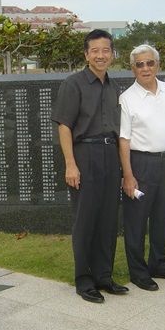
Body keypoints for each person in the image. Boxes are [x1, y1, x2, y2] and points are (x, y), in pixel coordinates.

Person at [51, 29, 128, 303]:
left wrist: (123, 168)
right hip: (85, 155)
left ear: (112, 54)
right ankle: (84, 281)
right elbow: (64, 126)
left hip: (110, 156)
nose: (100, 55)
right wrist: (70, 164)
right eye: (95, 50)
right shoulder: (73, 84)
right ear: (86, 54)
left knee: (108, 220)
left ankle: (104, 277)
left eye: (105, 50)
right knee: (85, 221)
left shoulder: (113, 86)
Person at [118, 44, 165, 291]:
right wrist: (128, 175)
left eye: (150, 63)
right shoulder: (127, 99)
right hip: (140, 164)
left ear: (157, 65)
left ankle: (159, 264)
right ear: (133, 69)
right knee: (136, 221)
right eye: (140, 64)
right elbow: (124, 140)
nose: (145, 68)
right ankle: (138, 272)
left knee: (162, 218)